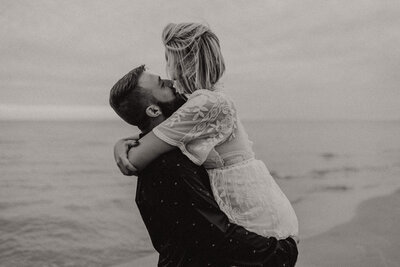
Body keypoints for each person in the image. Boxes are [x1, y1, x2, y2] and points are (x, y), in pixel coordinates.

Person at [115, 22, 299, 242]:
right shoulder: (204, 100)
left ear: (185, 64)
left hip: (257, 219)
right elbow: (170, 131)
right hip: (252, 209)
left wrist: (121, 149)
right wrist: (126, 141)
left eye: (169, 60)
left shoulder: (205, 105)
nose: (169, 73)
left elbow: (134, 160)